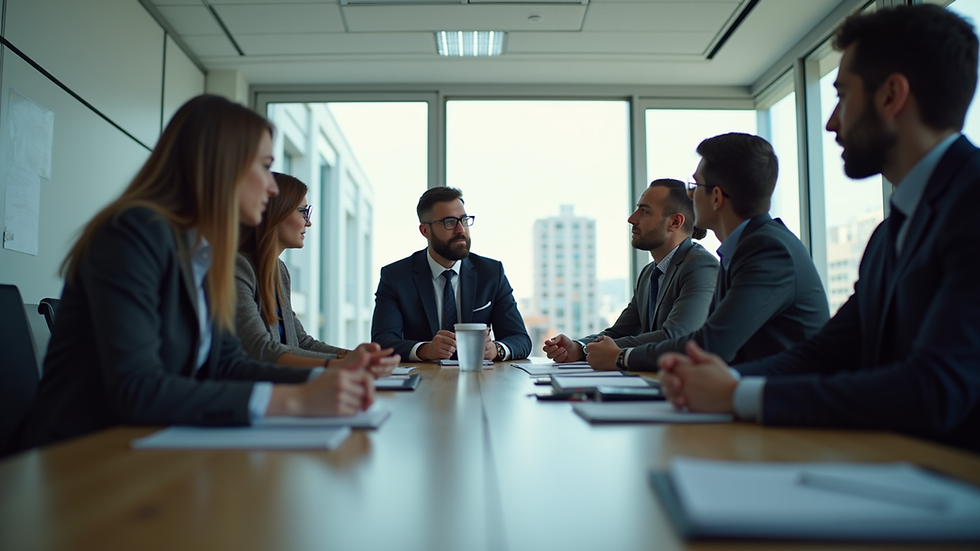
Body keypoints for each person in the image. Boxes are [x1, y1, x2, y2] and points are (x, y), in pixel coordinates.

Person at [659, 5, 980, 452]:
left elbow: (935, 388)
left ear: (891, 96)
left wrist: (739, 393)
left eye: (843, 96)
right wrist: (717, 380)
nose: (831, 122)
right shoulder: (889, 236)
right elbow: (827, 353)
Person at [15, 95, 395, 451]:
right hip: (79, 458)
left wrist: (326, 381)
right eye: (264, 166)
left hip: (151, 448)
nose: (272, 185)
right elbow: (138, 388)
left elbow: (229, 364)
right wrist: (295, 400)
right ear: (221, 165)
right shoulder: (133, 233)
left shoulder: (204, 253)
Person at [587, 133, 829, 371]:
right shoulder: (742, 248)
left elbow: (712, 344)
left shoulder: (767, 249)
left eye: (695, 185)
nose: (690, 195)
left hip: (785, 400)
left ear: (716, 197)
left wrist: (622, 357)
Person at [542, 179, 718, 369]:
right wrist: (578, 347)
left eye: (644, 211)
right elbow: (620, 331)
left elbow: (674, 337)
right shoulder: (650, 273)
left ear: (675, 222)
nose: (631, 218)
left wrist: (595, 351)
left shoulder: (700, 265)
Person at [236, 172, 396, 377]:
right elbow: (261, 349)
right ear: (275, 211)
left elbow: (301, 342)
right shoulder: (239, 268)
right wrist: (342, 364)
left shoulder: (280, 271)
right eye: (303, 211)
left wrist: (352, 356)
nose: (308, 222)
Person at [371, 186, 531, 361]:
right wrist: (425, 349)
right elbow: (382, 341)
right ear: (425, 231)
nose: (461, 230)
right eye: (449, 222)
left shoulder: (492, 273)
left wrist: (496, 349)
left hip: (480, 381)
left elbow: (520, 338)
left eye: (464, 220)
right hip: (424, 383)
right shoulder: (395, 276)